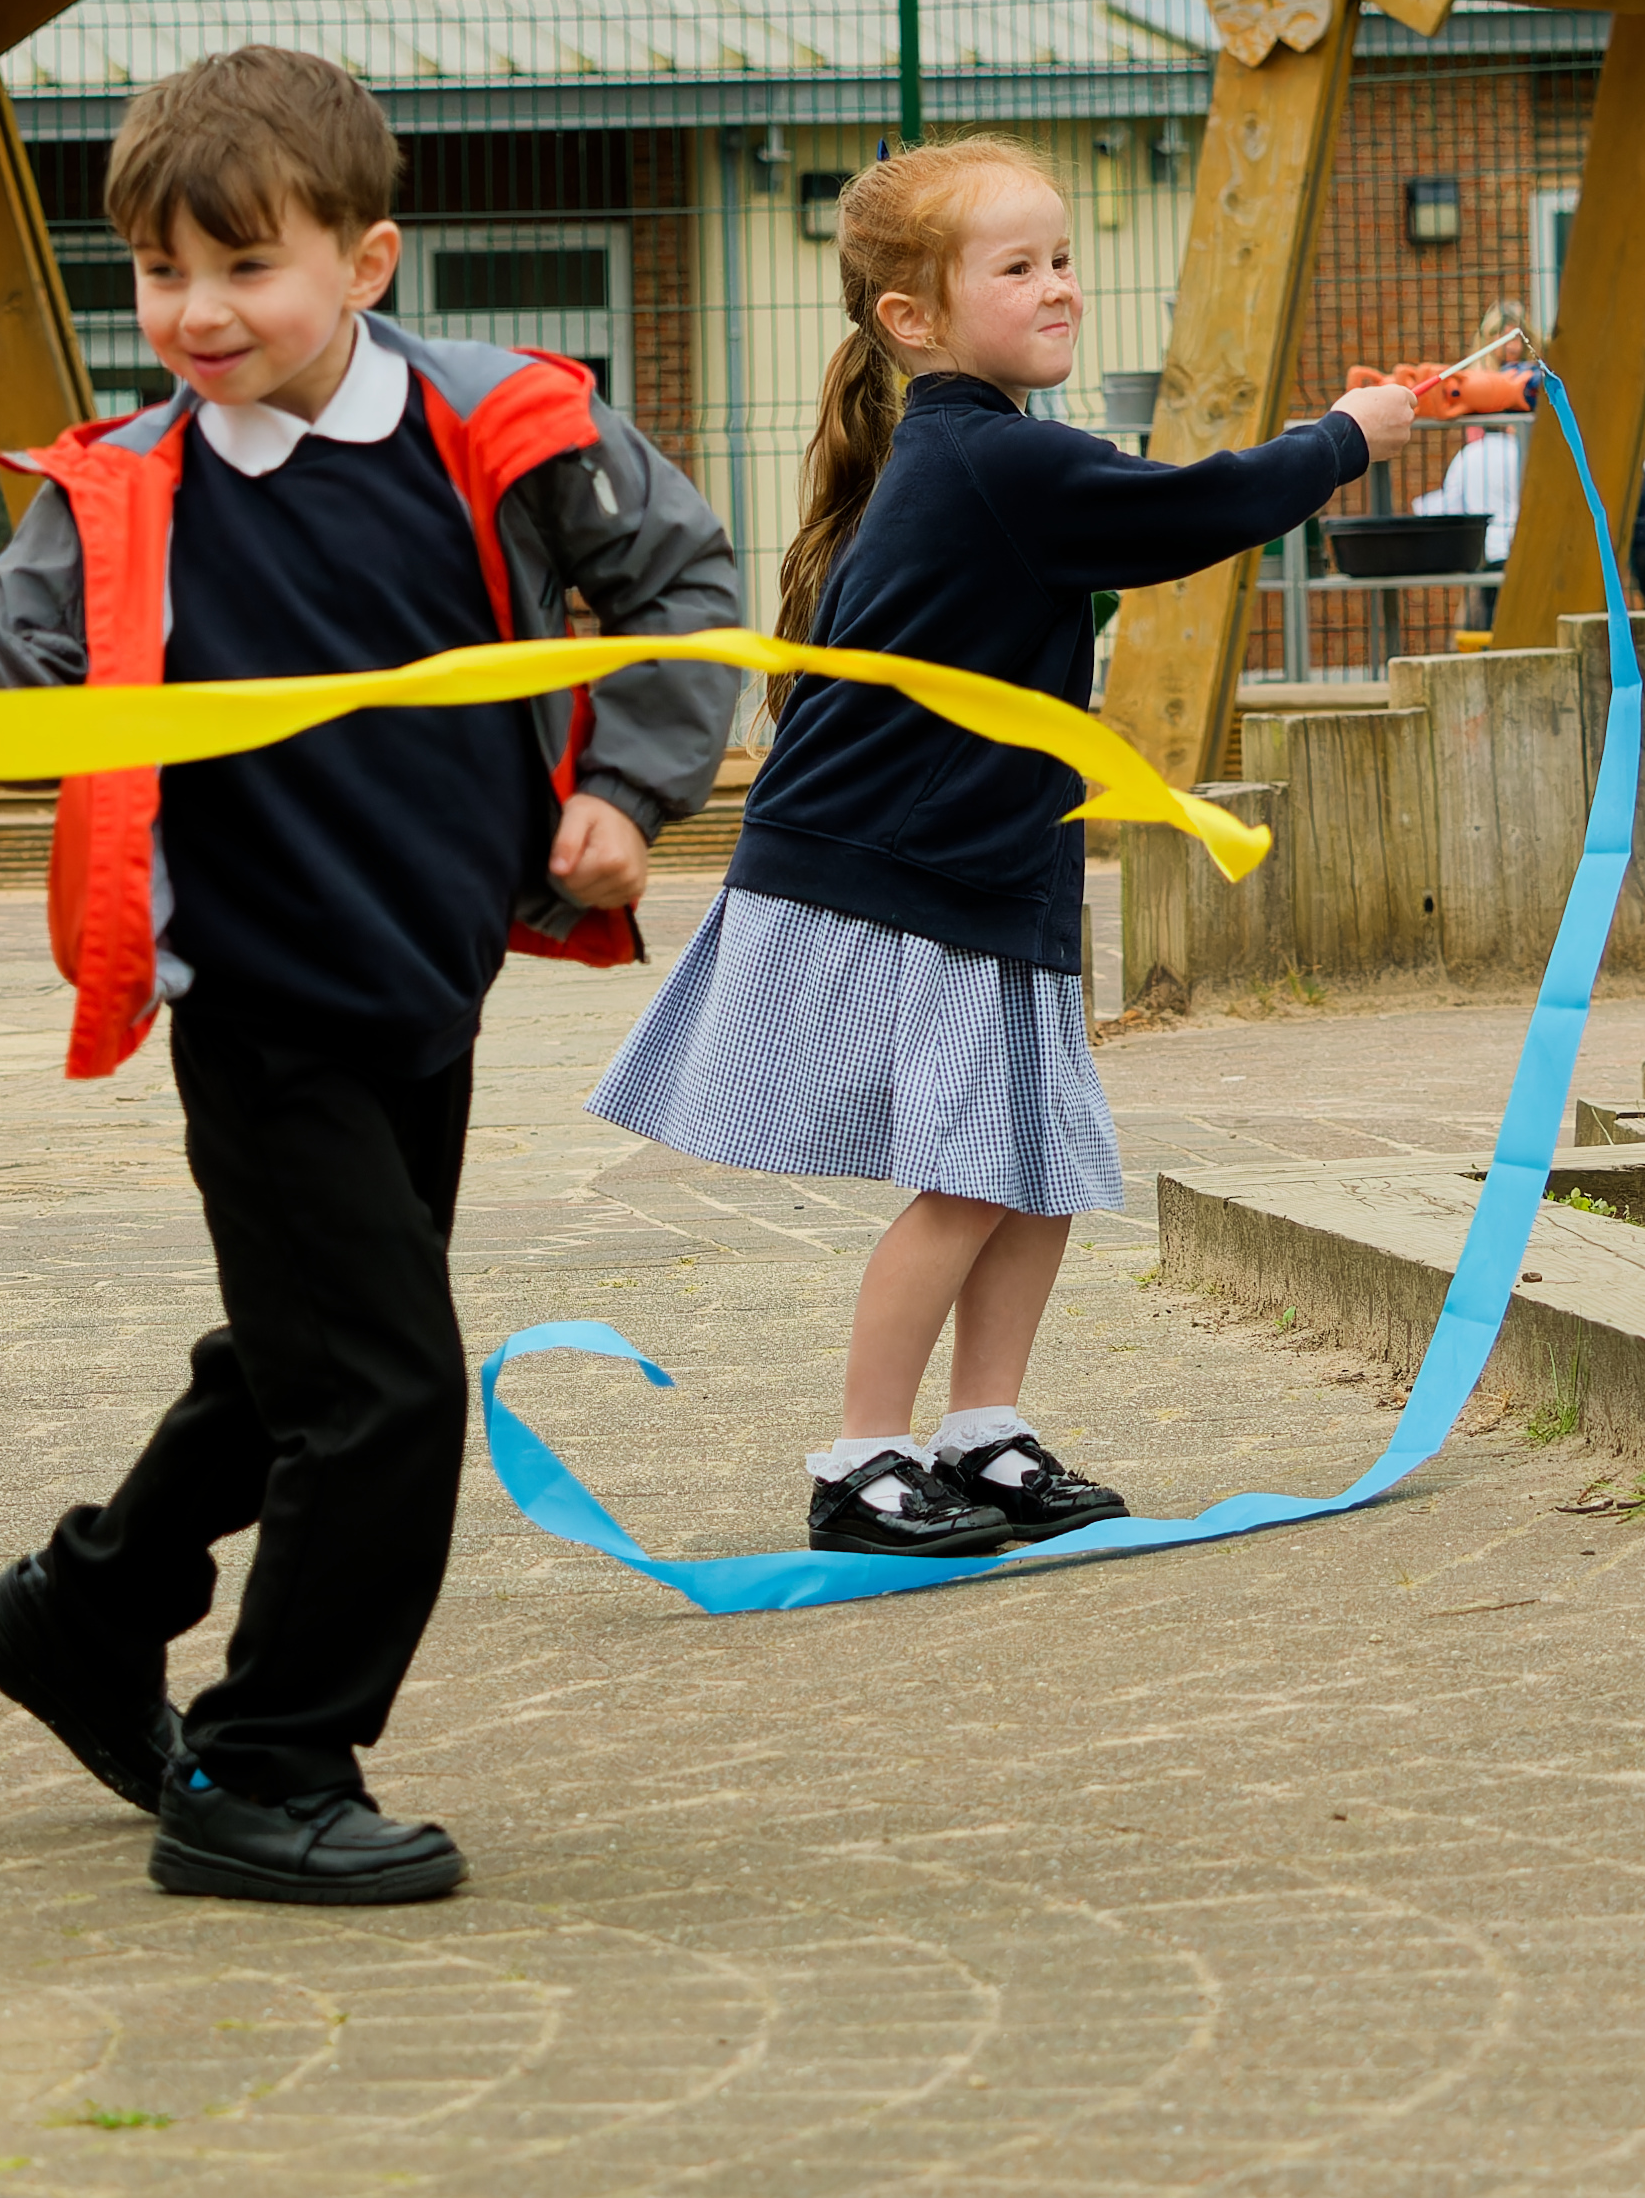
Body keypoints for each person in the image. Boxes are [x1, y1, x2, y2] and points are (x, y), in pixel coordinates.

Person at [0, 46, 740, 1907]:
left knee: (306, 1349)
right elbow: (18, 651)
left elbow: (685, 588)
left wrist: (626, 785)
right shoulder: (123, 484)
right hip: (255, 994)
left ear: (365, 262)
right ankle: (265, 1763)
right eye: (159, 273)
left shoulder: (508, 424)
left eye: (243, 267)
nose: (195, 313)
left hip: (423, 980)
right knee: (384, 1391)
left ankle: (83, 1607)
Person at [589, 139, 1416, 1557]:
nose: (1059, 287)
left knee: (1038, 1164)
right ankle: (862, 1460)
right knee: (977, 1171)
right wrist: (1345, 435)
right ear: (911, 318)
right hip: (903, 870)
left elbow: (1147, 516)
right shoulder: (996, 457)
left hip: (994, 867)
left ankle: (985, 1432)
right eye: (1018, 267)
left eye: (1063, 259)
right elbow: (1194, 509)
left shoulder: (997, 454)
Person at [1428, 305, 1539, 567]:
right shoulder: (1476, 377)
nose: (1512, 346)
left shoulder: (1530, 374)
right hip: (1487, 463)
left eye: (1516, 337)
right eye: (1504, 337)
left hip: (1519, 459)